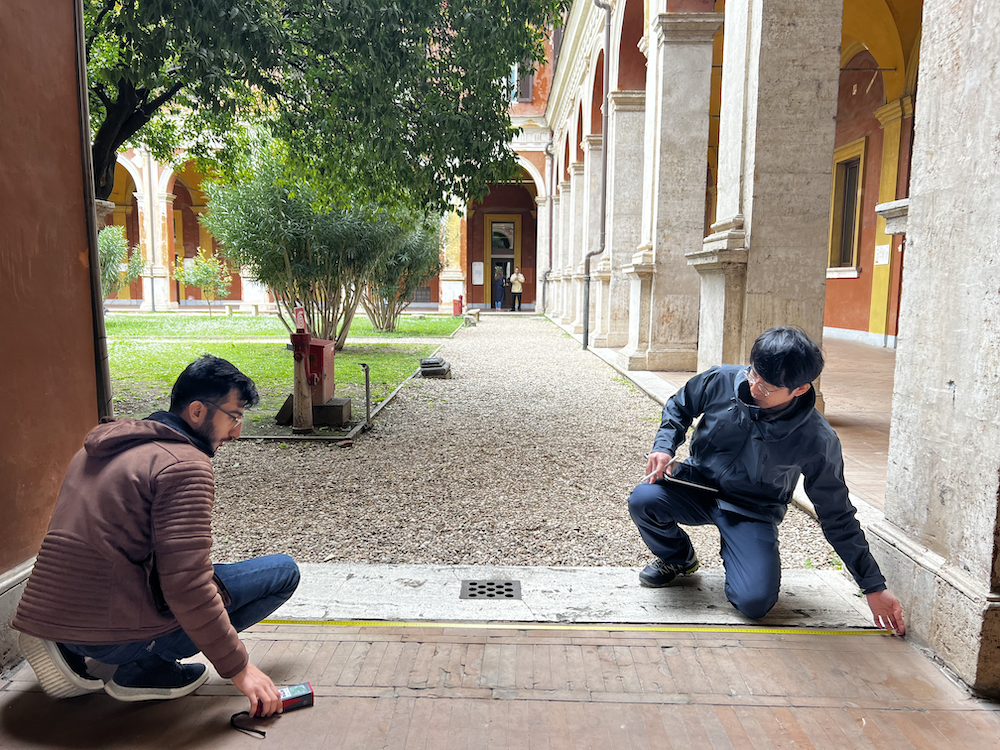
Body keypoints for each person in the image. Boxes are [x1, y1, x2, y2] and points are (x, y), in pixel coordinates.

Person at [13, 355, 301, 716]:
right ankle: (145, 666)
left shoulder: (101, 447)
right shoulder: (185, 465)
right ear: (197, 411)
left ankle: (70, 648)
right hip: (111, 635)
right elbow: (186, 586)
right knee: (284, 572)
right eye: (234, 417)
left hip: (53, 616)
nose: (236, 432)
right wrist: (239, 669)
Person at [627, 327, 905, 633]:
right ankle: (679, 558)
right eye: (754, 373)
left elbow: (837, 514)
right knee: (644, 499)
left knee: (755, 603)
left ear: (799, 390)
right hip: (696, 485)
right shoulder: (722, 379)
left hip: (752, 509)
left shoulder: (816, 439)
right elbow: (679, 406)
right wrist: (663, 446)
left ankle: (741, 553)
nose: (754, 386)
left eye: (768, 386)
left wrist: (872, 586)